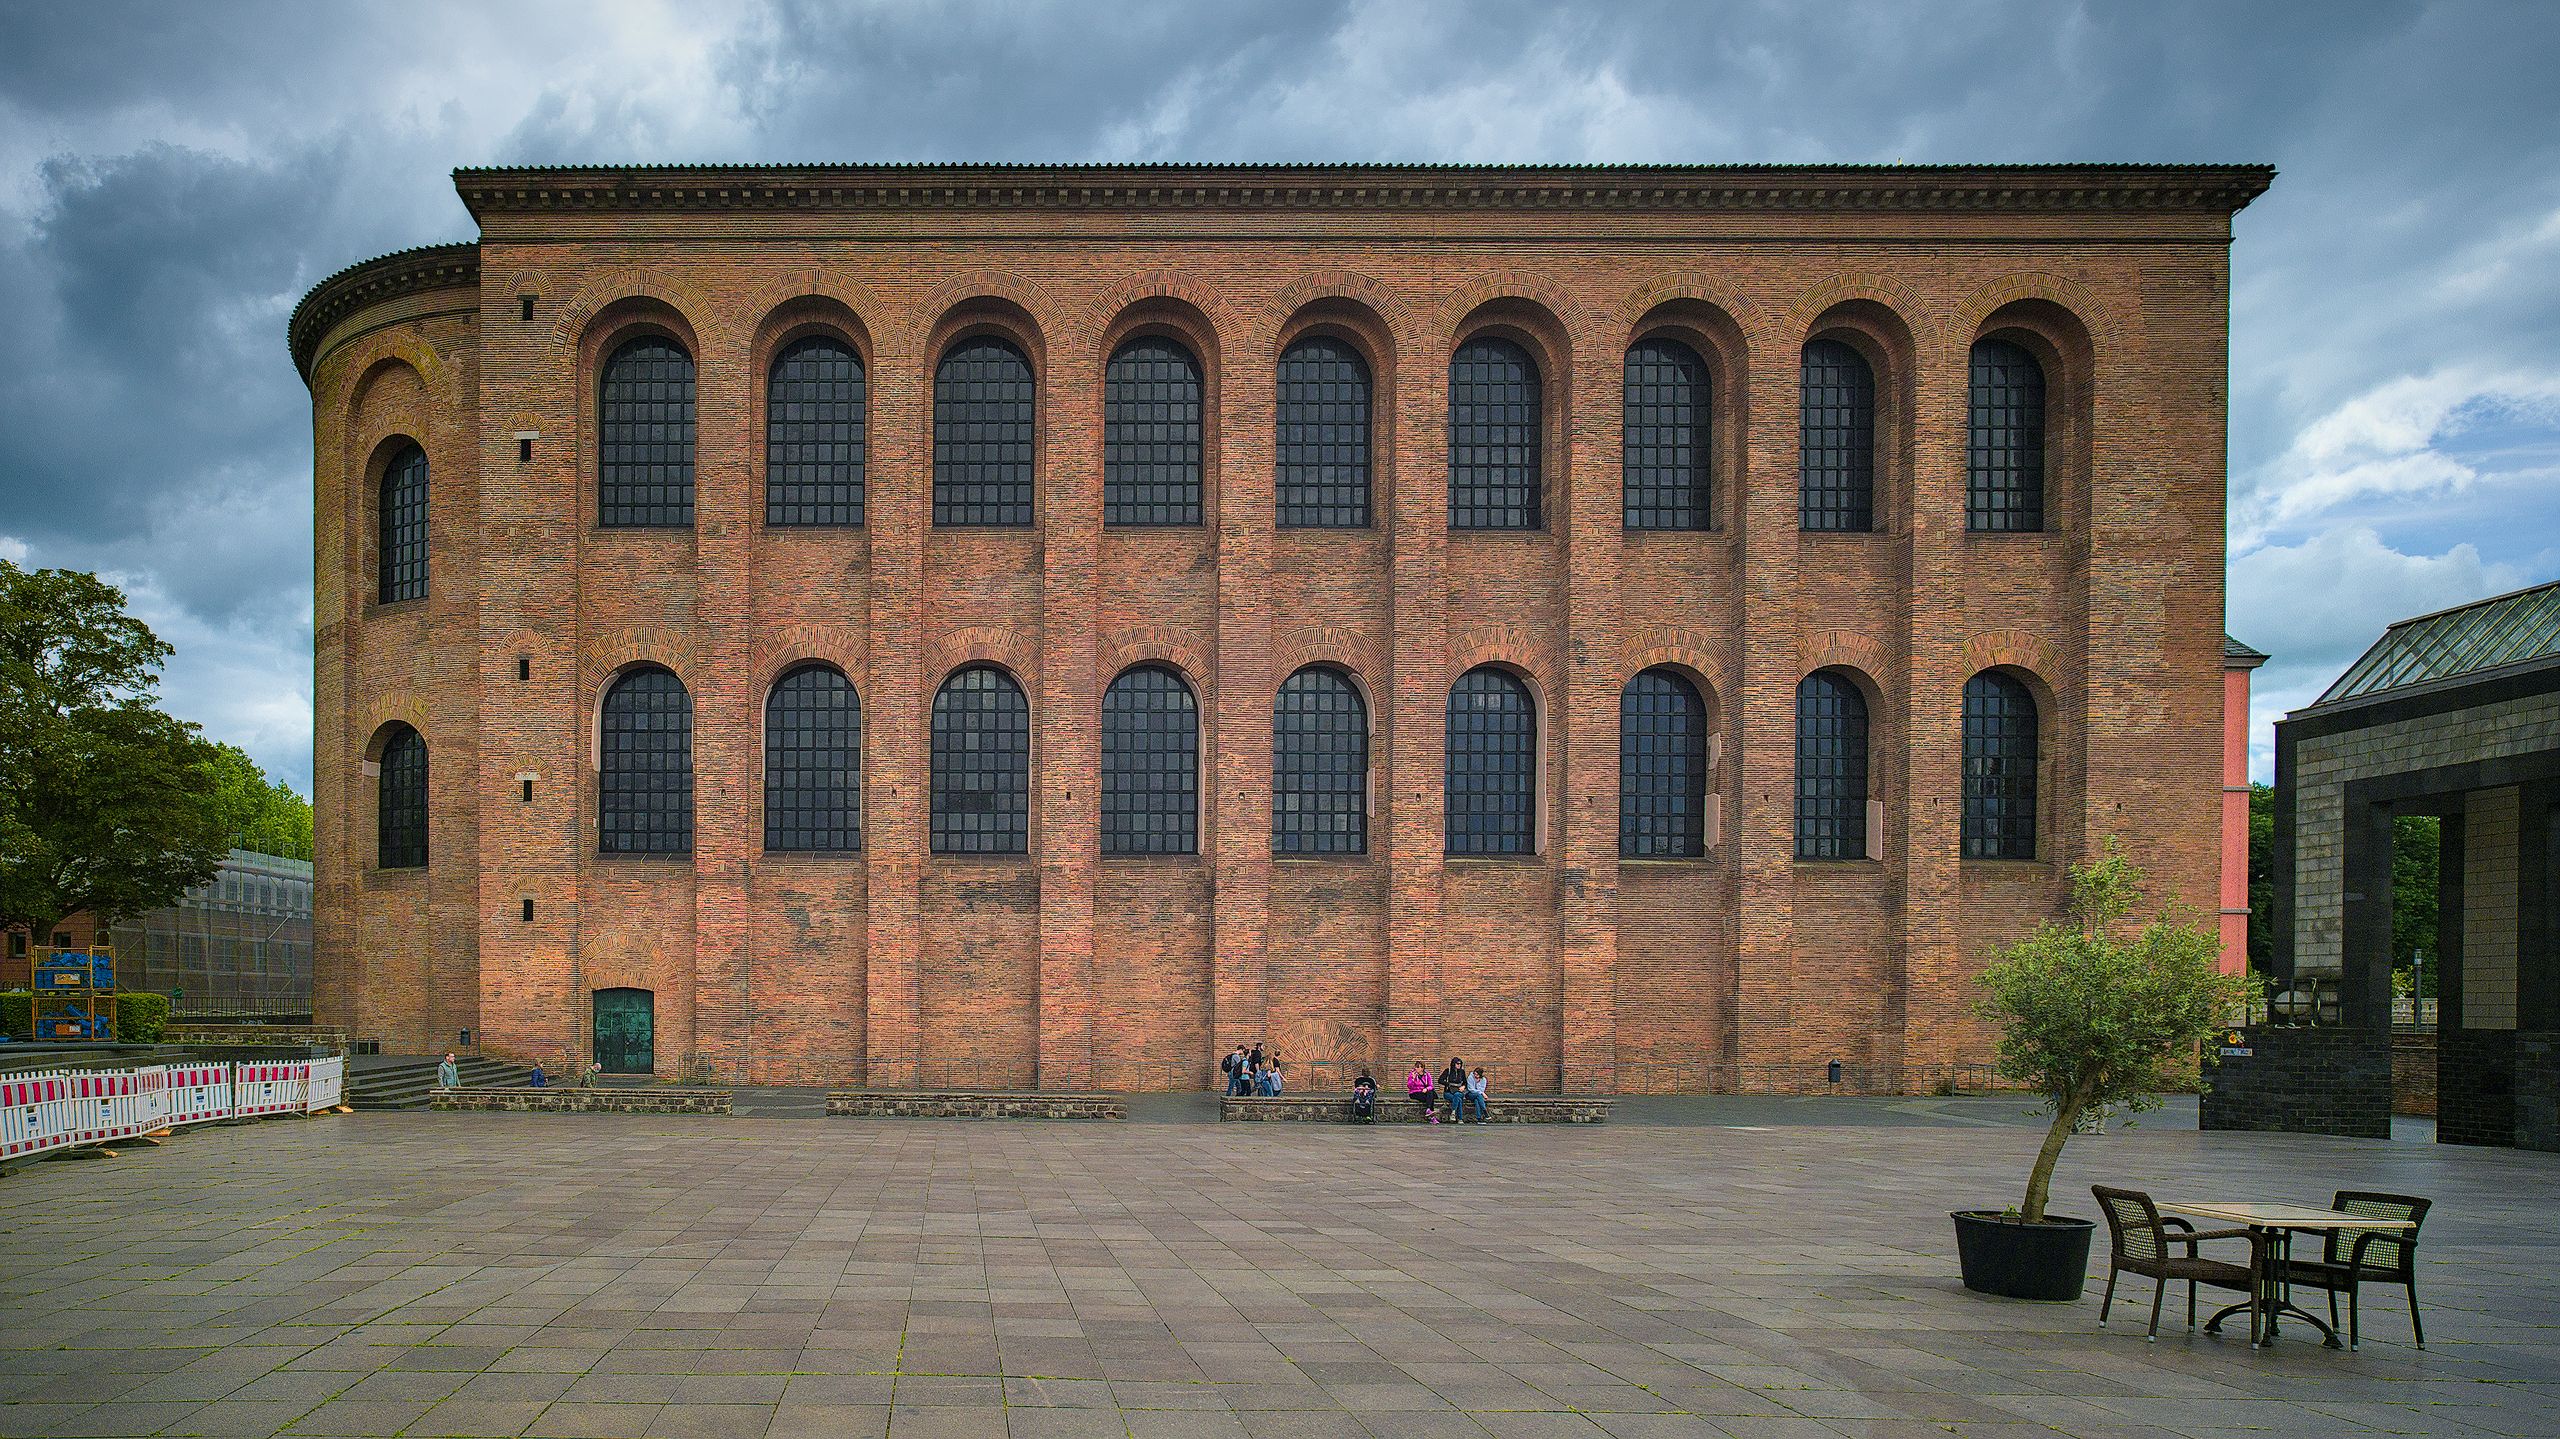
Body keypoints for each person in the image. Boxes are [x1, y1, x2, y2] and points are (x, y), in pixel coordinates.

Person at [1439, 1058, 1467, 1126]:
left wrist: (1463, 1086)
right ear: (1453, 1064)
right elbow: (1440, 1080)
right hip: (1448, 1092)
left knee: (1457, 1095)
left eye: (1460, 1064)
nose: (1459, 1065)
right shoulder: (1448, 1071)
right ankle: (1460, 1119)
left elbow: (1465, 1082)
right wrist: (1448, 1084)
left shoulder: (1462, 1072)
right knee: (1458, 1100)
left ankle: (1453, 1112)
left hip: (1458, 1091)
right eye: (1457, 1064)